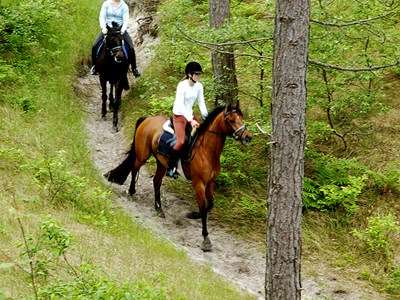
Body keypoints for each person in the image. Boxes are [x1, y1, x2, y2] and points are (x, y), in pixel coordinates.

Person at [166, 61, 209, 179]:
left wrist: (207, 118)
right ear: (190, 74)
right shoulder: (182, 86)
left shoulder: (199, 86)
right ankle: (171, 167)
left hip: (189, 114)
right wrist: (191, 120)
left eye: (199, 74)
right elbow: (180, 105)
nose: (199, 76)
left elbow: (201, 104)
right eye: (197, 74)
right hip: (179, 116)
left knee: (202, 136)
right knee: (181, 142)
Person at [90, 0, 140, 77]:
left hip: (119, 31)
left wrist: (122, 31)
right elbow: (102, 16)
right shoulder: (106, 4)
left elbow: (125, 20)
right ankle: (94, 67)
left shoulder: (124, 6)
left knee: (131, 47)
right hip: (108, 30)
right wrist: (103, 28)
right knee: (94, 45)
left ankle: (134, 69)